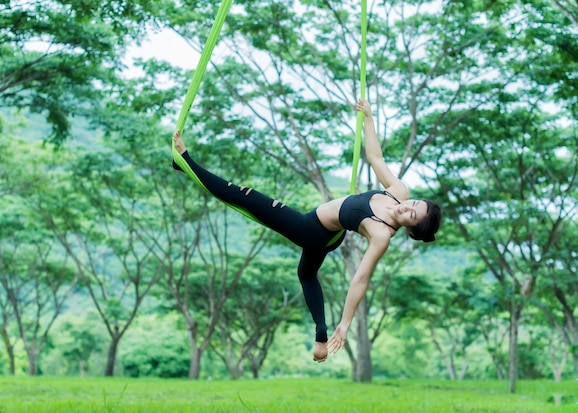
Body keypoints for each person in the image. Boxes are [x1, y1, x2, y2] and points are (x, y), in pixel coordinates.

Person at [172, 98, 441, 363]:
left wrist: (345, 325)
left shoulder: (382, 234)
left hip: (310, 229)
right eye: (413, 204)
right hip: (330, 237)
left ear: (411, 229)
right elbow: (375, 157)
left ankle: (185, 162)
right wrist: (369, 119)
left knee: (245, 195)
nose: (406, 208)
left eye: (411, 216)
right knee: (307, 274)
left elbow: (360, 279)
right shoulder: (399, 192)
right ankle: (320, 333)